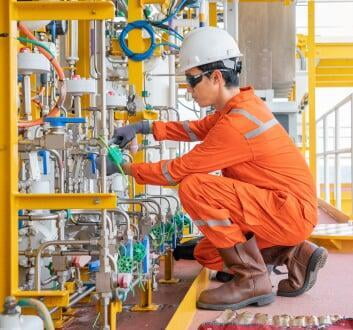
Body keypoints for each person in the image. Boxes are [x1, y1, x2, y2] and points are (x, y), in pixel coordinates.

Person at [110, 27, 328, 310]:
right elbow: (194, 129)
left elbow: (176, 171)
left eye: (192, 80)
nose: (188, 89)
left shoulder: (237, 125)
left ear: (216, 77)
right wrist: (145, 127)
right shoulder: (238, 109)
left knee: (194, 185)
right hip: (283, 209)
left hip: (288, 211)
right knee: (208, 254)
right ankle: (295, 252)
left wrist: (125, 167)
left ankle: (252, 279)